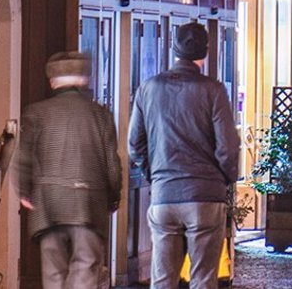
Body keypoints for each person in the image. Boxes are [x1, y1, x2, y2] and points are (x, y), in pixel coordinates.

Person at [127, 22, 239, 289]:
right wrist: (225, 178)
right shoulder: (213, 90)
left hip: (165, 195)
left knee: (163, 279)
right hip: (205, 195)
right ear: (205, 52)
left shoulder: (148, 88)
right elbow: (227, 146)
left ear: (173, 47)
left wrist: (156, 175)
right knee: (202, 278)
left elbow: (134, 144)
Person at [17, 50, 121, 289]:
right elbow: (111, 163)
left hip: (48, 202)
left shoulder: (36, 113)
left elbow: (24, 157)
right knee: (85, 265)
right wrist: (114, 196)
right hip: (89, 202)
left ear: (52, 81)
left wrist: (25, 192)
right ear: (84, 79)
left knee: (53, 270)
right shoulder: (101, 115)